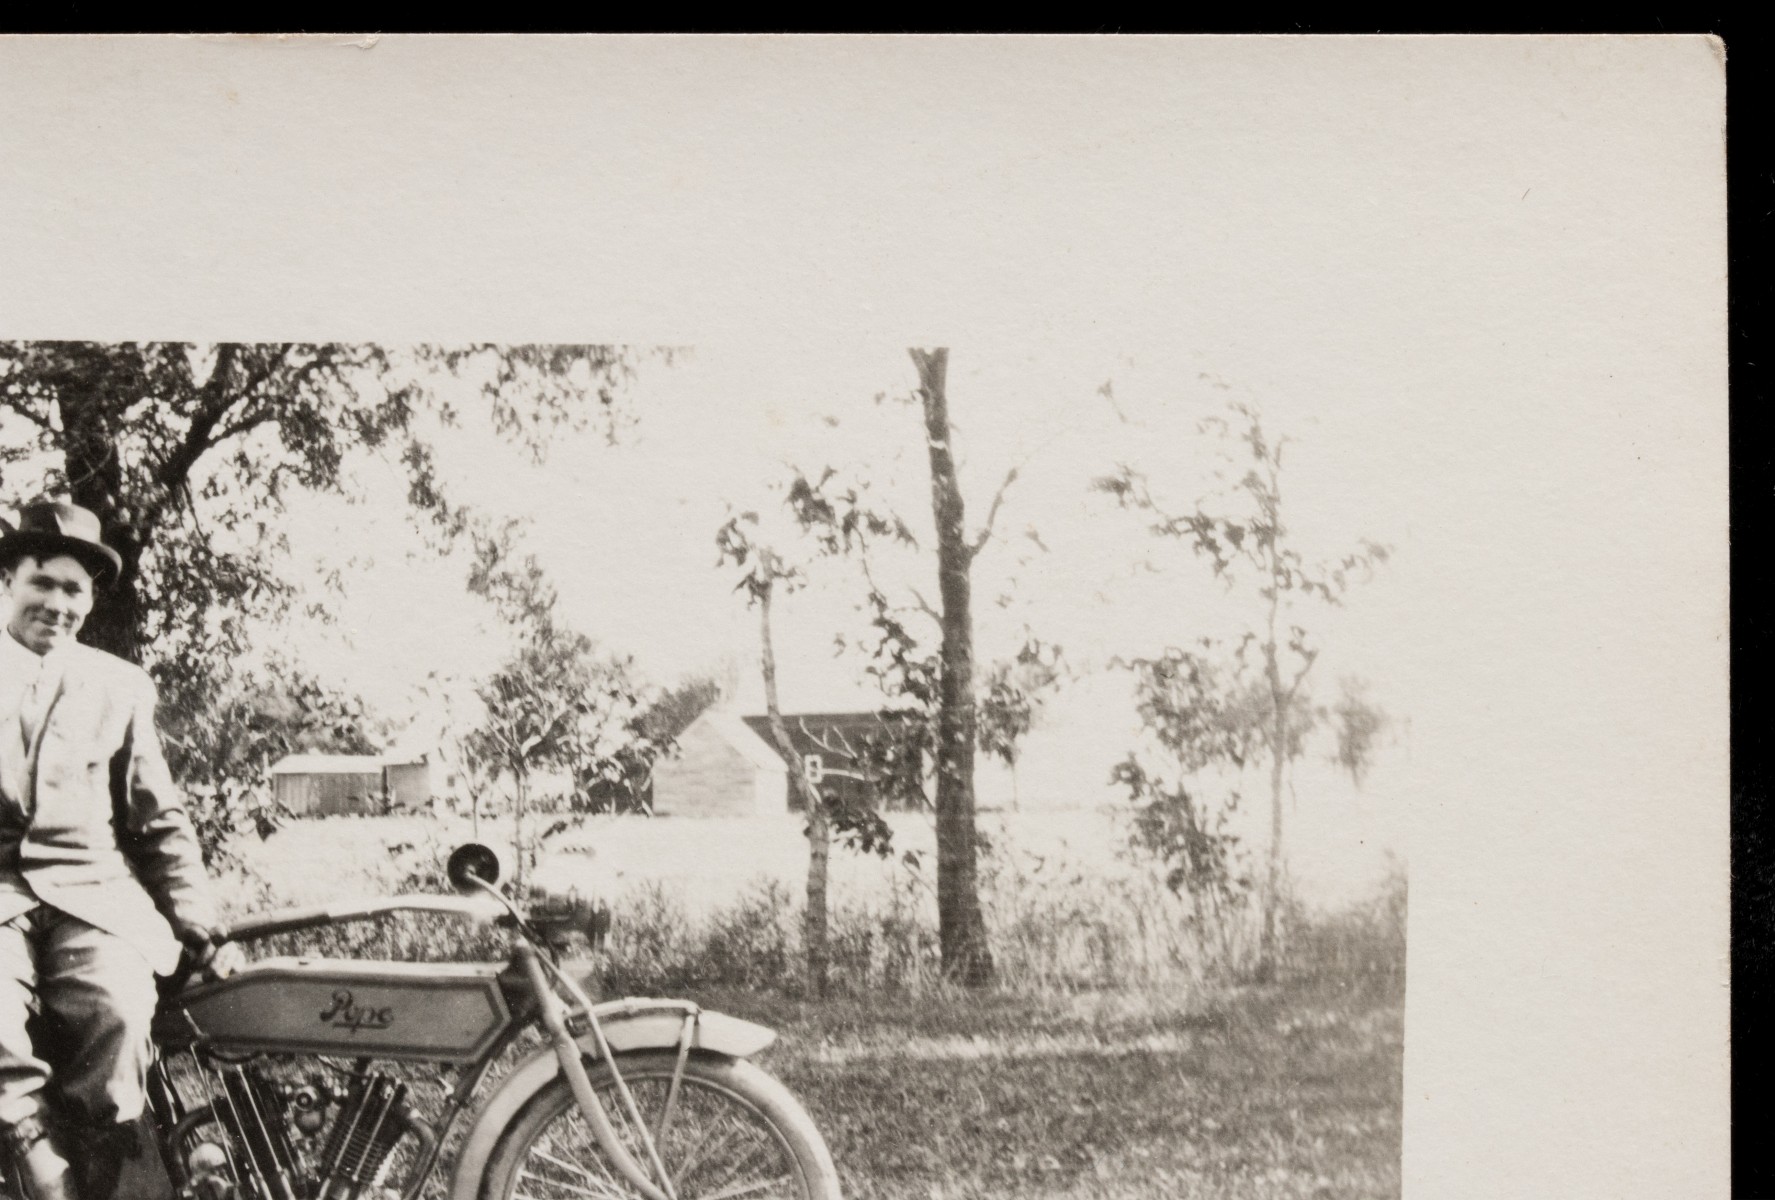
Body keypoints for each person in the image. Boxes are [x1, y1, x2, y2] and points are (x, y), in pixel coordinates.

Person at [0, 499, 239, 1200]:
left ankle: (98, 1179)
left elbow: (158, 817)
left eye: (74, 589)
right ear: (8, 579)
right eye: (42, 582)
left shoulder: (119, 685)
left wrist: (199, 921)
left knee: (121, 1009)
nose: (57, 603)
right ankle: (33, 1162)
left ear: (90, 598)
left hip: (94, 897)